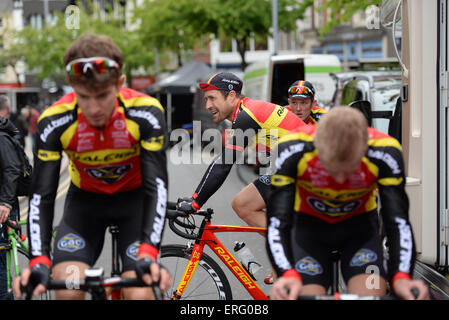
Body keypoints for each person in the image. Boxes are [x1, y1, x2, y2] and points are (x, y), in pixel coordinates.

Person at [12, 33, 171, 300]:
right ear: (72, 87)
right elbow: (42, 195)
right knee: (70, 286)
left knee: (140, 291)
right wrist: (39, 260)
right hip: (84, 209)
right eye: (84, 96)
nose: (94, 107)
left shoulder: (146, 113)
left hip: (134, 205)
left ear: (120, 84)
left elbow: (157, 186)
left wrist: (149, 252)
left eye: (103, 95)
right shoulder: (55, 121)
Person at [267, 106, 429, 300]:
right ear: (317, 148)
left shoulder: (384, 150)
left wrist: (402, 276)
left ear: (365, 149)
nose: (341, 180)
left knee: (373, 293)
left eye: (350, 170)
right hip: (309, 233)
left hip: (360, 234)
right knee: (294, 293)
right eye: (332, 171)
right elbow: (278, 220)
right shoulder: (292, 148)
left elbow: (397, 220)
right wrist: (285, 273)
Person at [177, 72, 305, 255]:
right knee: (243, 204)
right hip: (294, 168)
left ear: (231, 96)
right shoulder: (246, 112)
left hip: (307, 170)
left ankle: (294, 255)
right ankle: (289, 252)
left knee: (245, 204)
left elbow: (223, 163)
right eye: (206, 100)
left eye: (212, 98)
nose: (207, 106)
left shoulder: (247, 115)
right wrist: (194, 197)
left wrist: (196, 202)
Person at [0, 95, 21, 300]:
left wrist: (5, 202)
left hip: (2, 206)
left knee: (0, 262)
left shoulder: (1, 136)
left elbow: (12, 169)